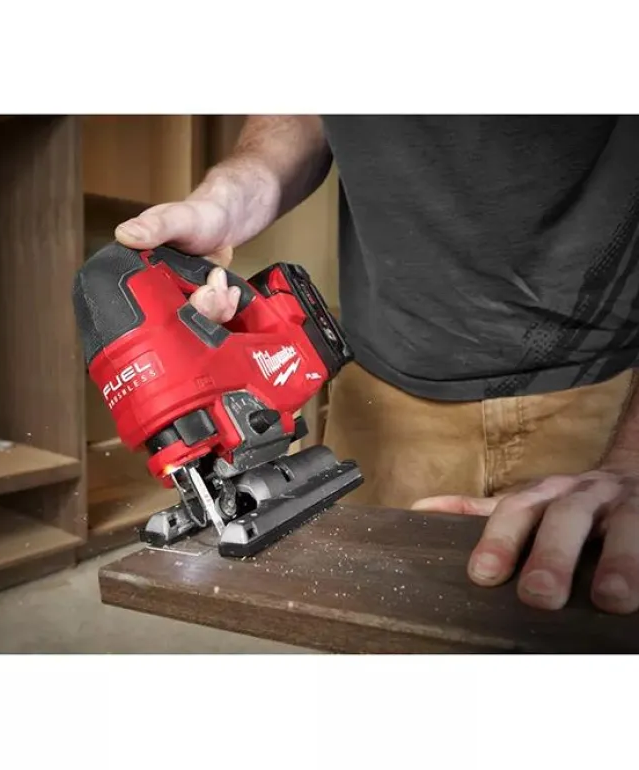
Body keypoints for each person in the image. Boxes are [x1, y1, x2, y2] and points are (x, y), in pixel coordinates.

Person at [115, 115, 639, 616]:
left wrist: (633, 458)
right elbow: (301, 116)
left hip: (601, 395)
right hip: (378, 391)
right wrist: (226, 200)